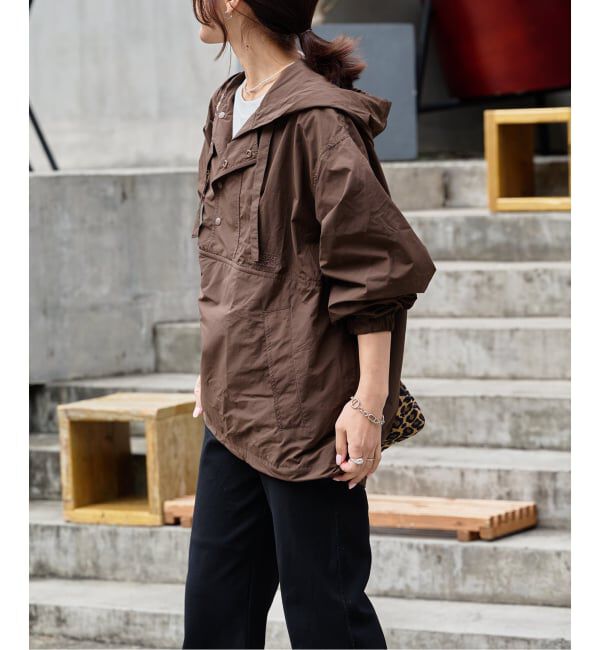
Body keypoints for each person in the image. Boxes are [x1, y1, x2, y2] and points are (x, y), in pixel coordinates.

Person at [183, 1, 436, 648]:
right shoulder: (228, 104)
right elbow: (234, 259)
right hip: (233, 406)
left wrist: (369, 403)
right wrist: (214, 363)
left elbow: (373, 269)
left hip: (308, 412)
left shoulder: (319, 119)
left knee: (327, 622)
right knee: (214, 619)